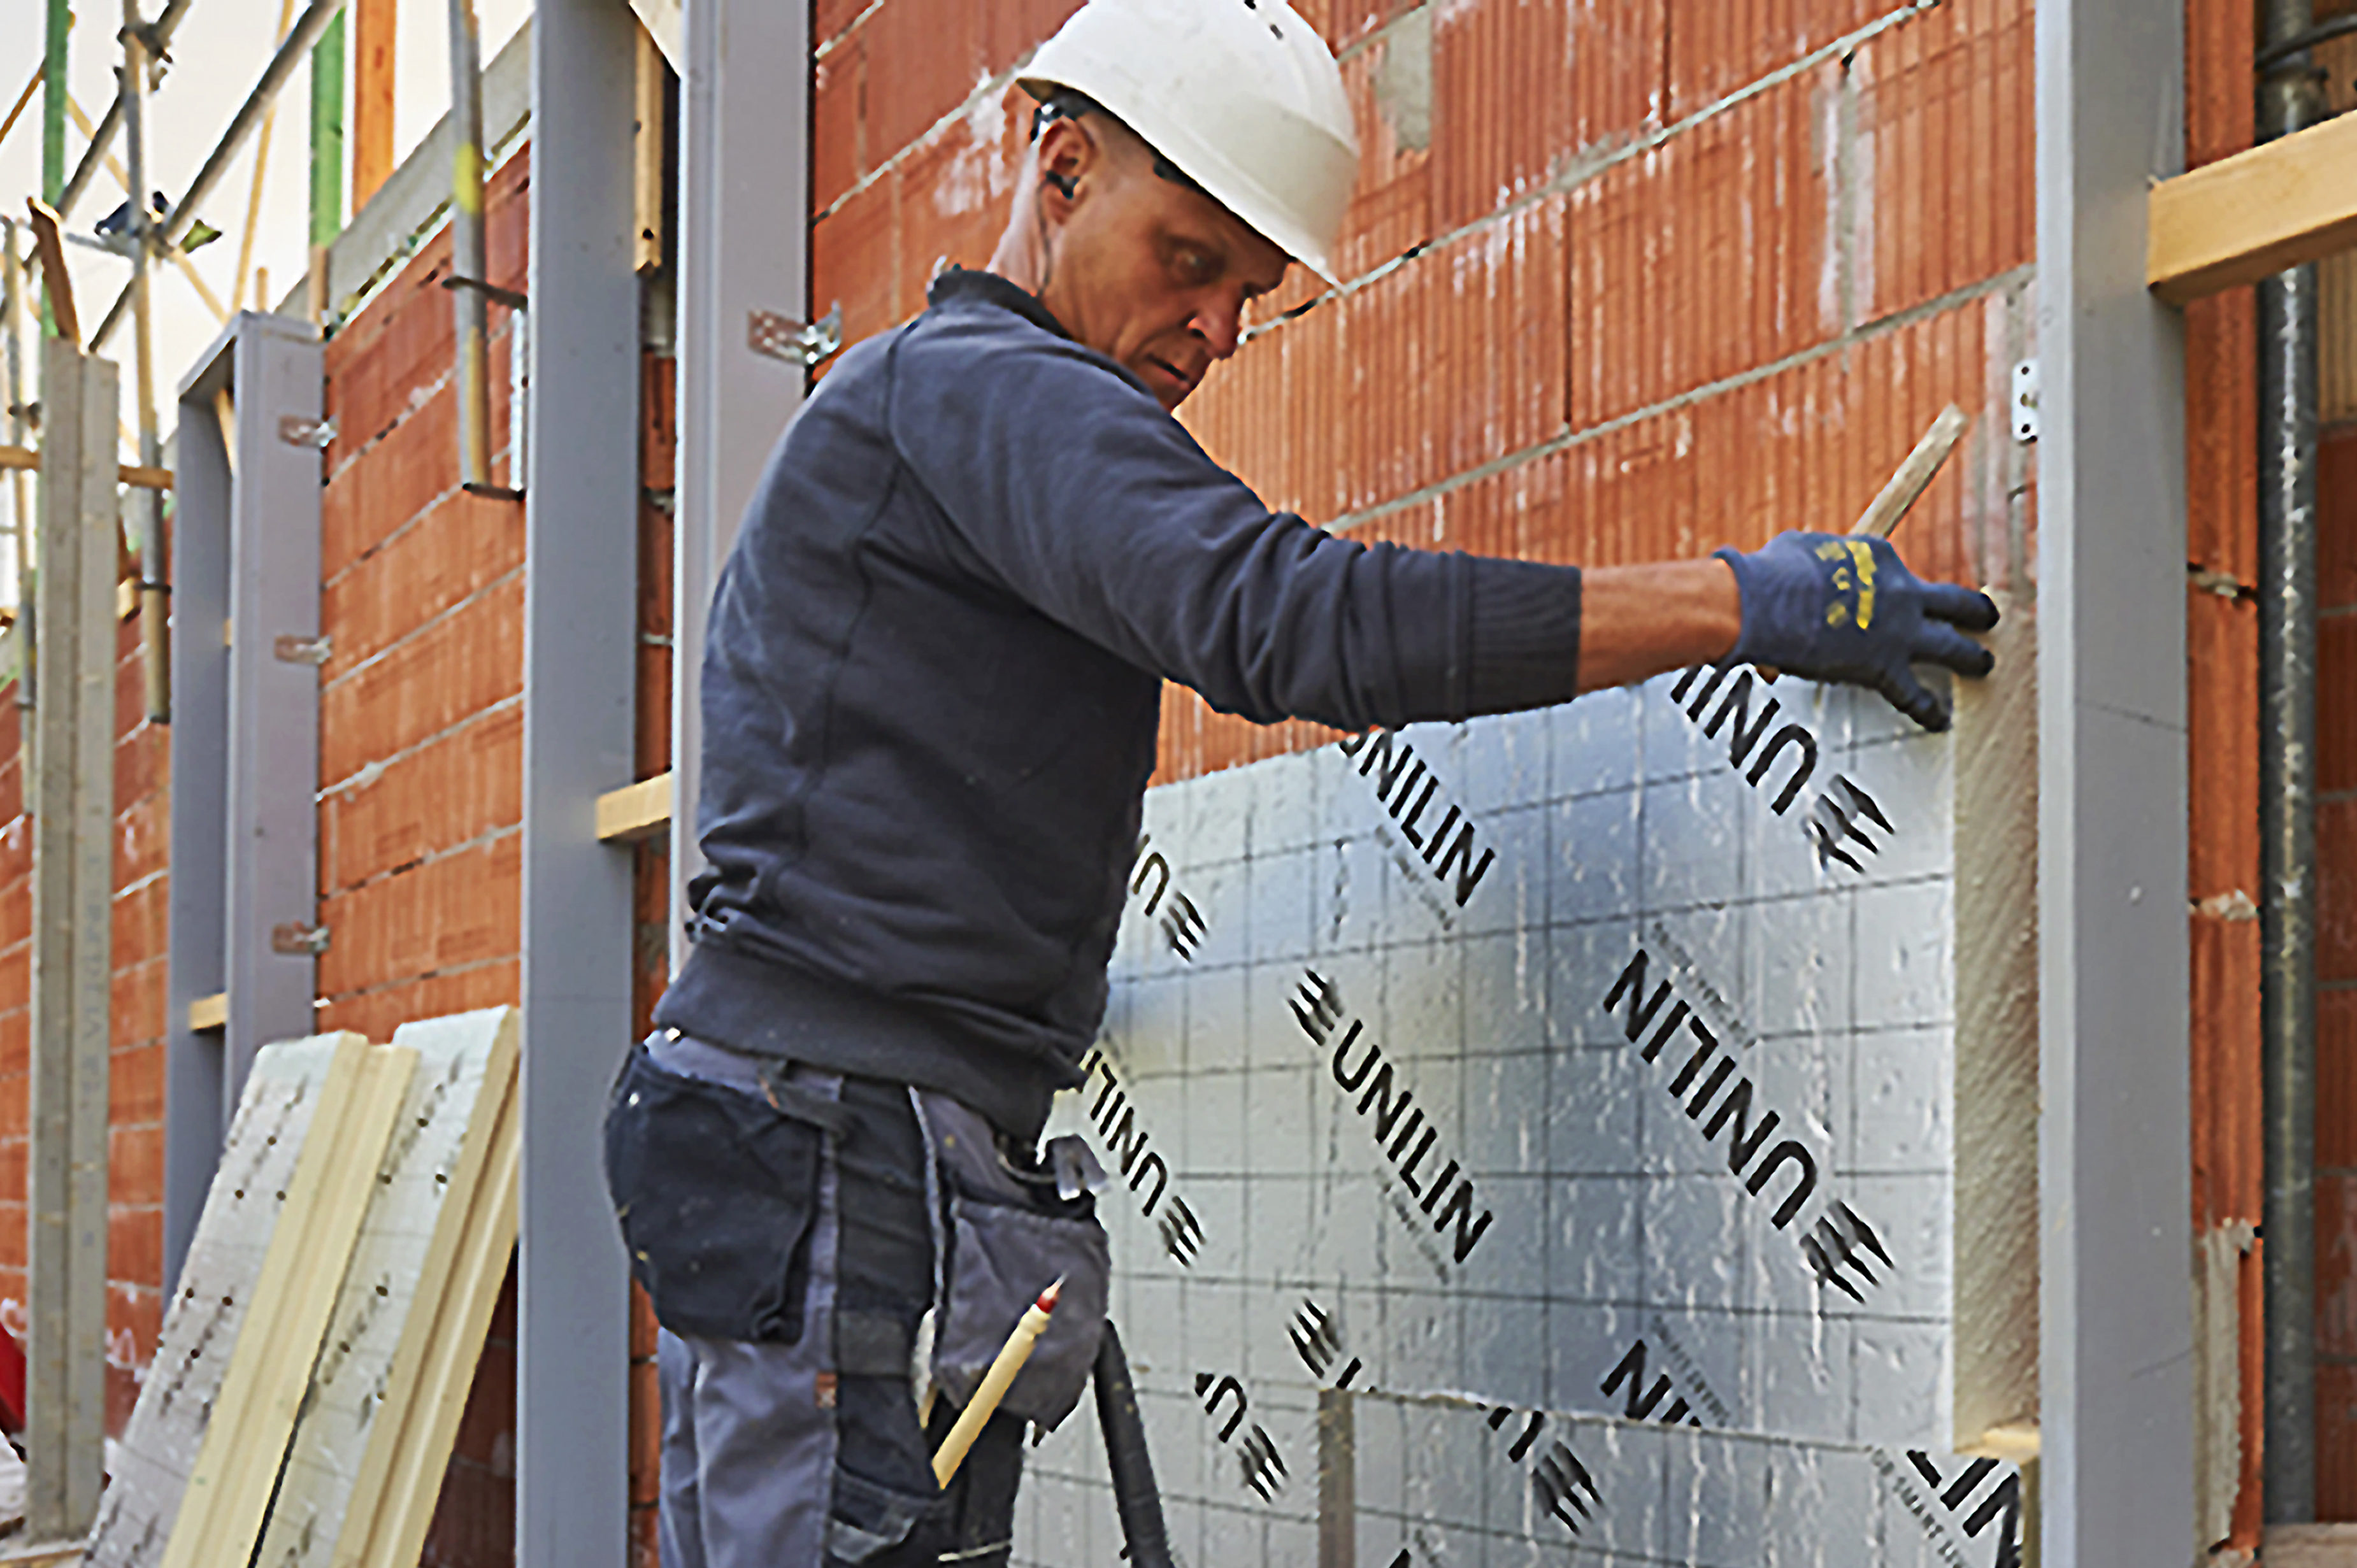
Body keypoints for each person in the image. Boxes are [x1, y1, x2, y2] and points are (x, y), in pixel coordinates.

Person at [605, 2, 2000, 1564]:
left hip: (823, 1134)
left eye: (1247, 293)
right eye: (1187, 259)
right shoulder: (979, 390)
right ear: (1060, 170)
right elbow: (1288, 620)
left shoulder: (939, 419)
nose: (1213, 327)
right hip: (834, 1143)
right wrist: (1743, 604)